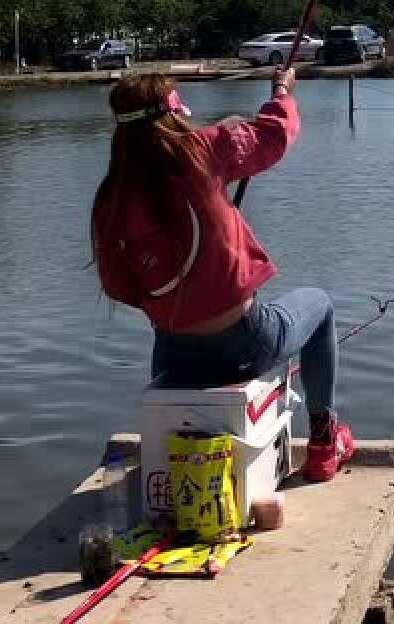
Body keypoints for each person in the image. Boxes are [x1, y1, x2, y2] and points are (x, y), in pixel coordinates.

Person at [91, 71, 353, 484]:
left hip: (173, 354)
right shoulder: (205, 149)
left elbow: (118, 283)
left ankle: (179, 462)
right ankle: (323, 442)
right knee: (320, 305)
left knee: (171, 348)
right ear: (174, 114)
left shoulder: (112, 194)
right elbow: (276, 134)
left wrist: (173, 300)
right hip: (246, 341)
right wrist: (281, 91)